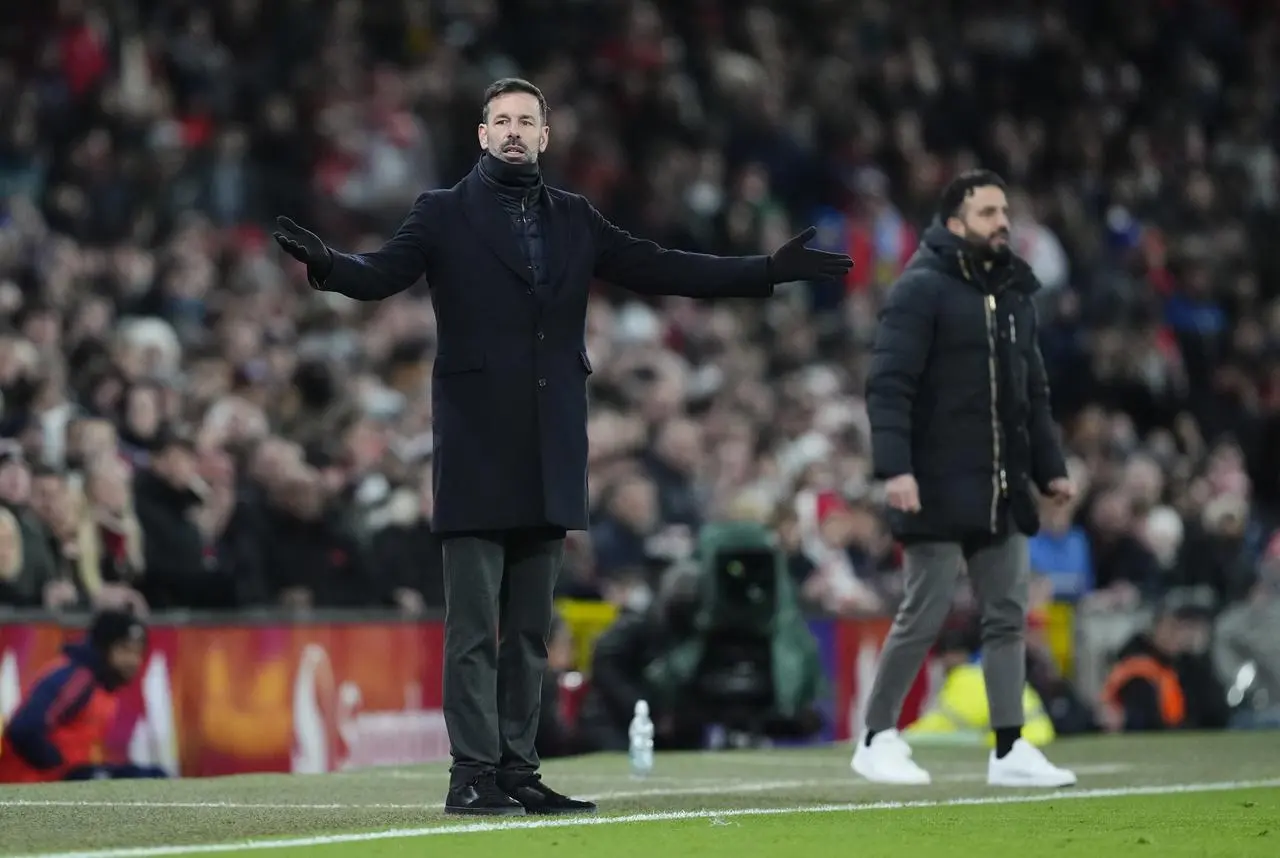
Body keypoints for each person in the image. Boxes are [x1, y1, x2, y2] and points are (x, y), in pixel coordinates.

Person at [273, 78, 851, 816]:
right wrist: (328, 264)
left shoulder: (577, 219)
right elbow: (380, 275)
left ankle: (517, 769)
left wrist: (765, 272)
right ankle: (471, 774)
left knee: (530, 633)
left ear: (545, 136)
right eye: (502, 120)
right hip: (478, 446)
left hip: (549, 448)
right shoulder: (442, 213)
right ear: (482, 135)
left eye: (527, 121)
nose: (514, 131)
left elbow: (665, 266)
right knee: (474, 629)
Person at [854, 170, 1077, 788]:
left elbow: (1033, 393)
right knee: (923, 613)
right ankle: (876, 737)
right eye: (987, 213)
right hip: (934, 481)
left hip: (1001, 485)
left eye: (1004, 211)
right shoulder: (920, 290)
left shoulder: (1013, 294)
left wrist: (1051, 469)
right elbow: (888, 385)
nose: (1001, 222)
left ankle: (1009, 749)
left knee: (1007, 617)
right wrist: (895, 468)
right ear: (954, 224)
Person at [0, 609, 163, 783]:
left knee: (154, 775)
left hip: (69, 773)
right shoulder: (76, 678)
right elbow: (23, 730)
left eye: (138, 653)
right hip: (34, 781)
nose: (133, 660)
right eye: (125, 649)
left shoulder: (101, 684)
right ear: (104, 647)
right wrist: (61, 770)